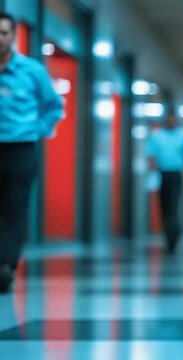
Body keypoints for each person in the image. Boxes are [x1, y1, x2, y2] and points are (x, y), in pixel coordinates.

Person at [0, 13, 64, 293]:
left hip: (20, 150)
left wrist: (37, 129)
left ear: (13, 36)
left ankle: (6, 265)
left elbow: (54, 105)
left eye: (3, 32)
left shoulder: (32, 70)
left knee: (15, 208)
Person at [146, 111, 183, 254]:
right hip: (162, 174)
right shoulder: (156, 136)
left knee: (173, 206)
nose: (171, 122)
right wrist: (153, 175)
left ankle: (174, 236)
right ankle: (169, 236)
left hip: (176, 174)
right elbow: (151, 158)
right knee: (164, 207)